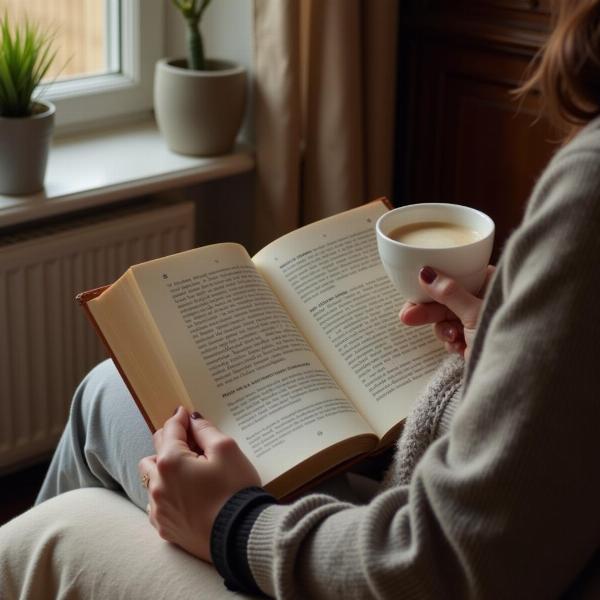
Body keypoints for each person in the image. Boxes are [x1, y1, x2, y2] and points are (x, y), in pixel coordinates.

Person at [1, 1, 599, 597]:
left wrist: (230, 522)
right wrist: (511, 338)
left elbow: (443, 561)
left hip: (389, 553)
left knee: (79, 478)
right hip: (409, 509)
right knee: (113, 391)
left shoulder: (589, 189)